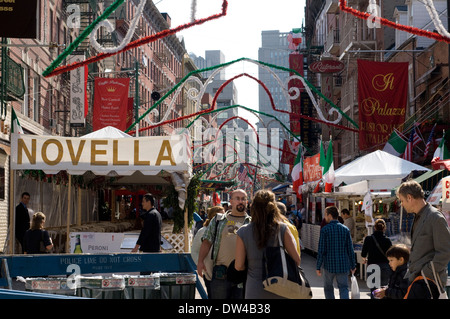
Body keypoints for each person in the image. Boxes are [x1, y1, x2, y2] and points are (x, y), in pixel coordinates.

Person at [235, 190, 300, 299]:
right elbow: (297, 260)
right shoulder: (282, 229)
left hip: (254, 290)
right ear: (273, 207)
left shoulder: (243, 232)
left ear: (253, 207)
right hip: (280, 289)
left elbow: (239, 265)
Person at [396, 180, 450, 293]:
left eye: (402, 201)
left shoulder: (435, 217)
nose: (402, 204)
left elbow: (445, 251)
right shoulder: (418, 216)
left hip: (429, 282)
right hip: (418, 280)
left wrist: (426, 272)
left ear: (409, 197)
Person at [197, 189, 251, 299]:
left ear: (247, 202)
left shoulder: (251, 222)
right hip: (220, 274)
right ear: (231, 201)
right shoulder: (218, 220)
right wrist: (200, 261)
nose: (241, 201)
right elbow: (207, 241)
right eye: (237, 198)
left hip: (243, 274)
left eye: (243, 199)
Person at [316, 206, 356, 299]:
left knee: (328, 288)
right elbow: (350, 249)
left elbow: (321, 249)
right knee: (344, 288)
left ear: (329, 215)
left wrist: (318, 266)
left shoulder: (325, 230)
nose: (324, 217)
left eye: (325, 215)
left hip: (328, 265)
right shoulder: (345, 229)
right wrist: (353, 265)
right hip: (343, 265)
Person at [191, 205, 224, 297]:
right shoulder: (203, 231)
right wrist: (201, 264)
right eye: (222, 214)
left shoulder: (224, 230)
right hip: (209, 271)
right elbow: (194, 250)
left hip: (222, 271)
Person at [361, 219, 393, 298]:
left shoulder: (368, 239)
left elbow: (363, 254)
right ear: (384, 228)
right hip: (385, 267)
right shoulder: (387, 240)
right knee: (384, 290)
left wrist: (365, 260)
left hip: (372, 266)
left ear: (374, 227)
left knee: (374, 291)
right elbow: (391, 255)